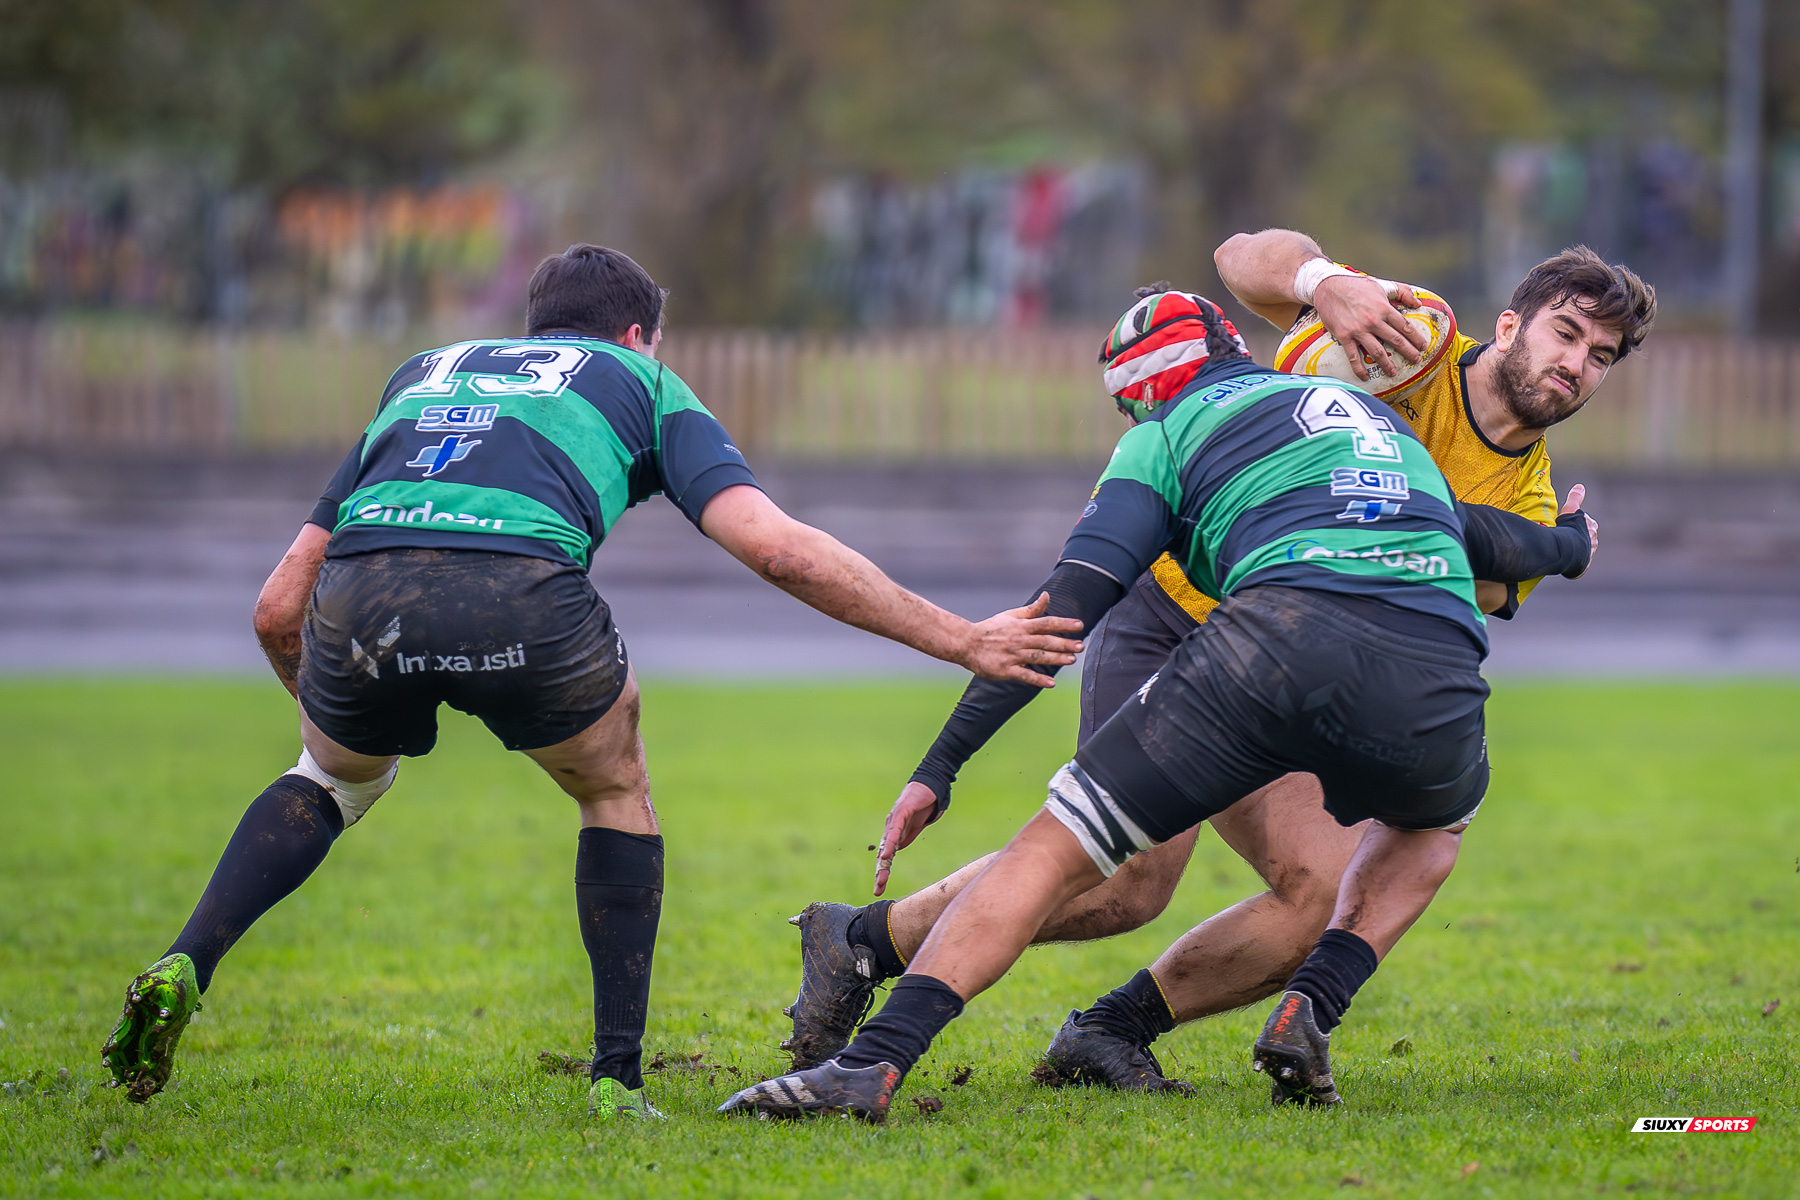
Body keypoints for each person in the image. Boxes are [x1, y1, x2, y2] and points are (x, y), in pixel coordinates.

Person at [98, 244, 1085, 1119]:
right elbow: (777, 550)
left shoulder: (422, 372)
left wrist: (336, 713)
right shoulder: (640, 379)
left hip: (365, 593)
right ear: (636, 333)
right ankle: (617, 1082)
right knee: (615, 790)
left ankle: (188, 959)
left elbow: (278, 606)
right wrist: (963, 639)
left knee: (331, 777)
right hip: (522, 590)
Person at [777, 240, 1655, 1092]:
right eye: (1565, 334)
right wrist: (1327, 281)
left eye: (1601, 354)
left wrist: (1552, 543)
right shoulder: (1410, 335)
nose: (1576, 364)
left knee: (1320, 894)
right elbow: (1240, 256)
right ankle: (867, 942)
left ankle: (1104, 1028)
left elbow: (1474, 569)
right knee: (1129, 879)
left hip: (1300, 635)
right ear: (1510, 327)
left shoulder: (1533, 496)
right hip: (1177, 610)